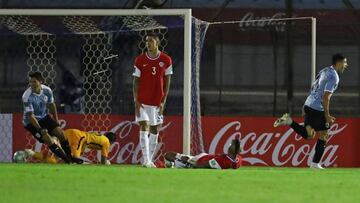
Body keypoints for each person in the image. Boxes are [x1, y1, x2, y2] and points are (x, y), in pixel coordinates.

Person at [273, 53, 348, 169]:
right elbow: (326, 97)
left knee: (309, 135)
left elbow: (314, 87)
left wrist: (305, 105)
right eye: (344, 62)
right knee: (324, 134)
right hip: (318, 107)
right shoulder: (334, 77)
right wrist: (327, 115)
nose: (346, 65)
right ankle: (314, 164)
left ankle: (289, 121)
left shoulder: (324, 71)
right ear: (338, 62)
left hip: (309, 104)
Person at [132, 32, 173, 168]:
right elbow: (135, 82)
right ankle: (147, 160)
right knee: (144, 125)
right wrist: (136, 101)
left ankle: (149, 160)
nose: (148, 43)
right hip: (142, 101)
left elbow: (167, 82)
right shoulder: (140, 60)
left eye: (150, 41)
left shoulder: (166, 60)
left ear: (157, 43)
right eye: (146, 41)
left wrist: (163, 101)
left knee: (155, 129)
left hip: (157, 102)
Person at [22, 71, 72, 163]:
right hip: (30, 122)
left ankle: (70, 157)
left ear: (40, 81)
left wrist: (56, 121)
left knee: (61, 134)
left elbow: (51, 105)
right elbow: (31, 116)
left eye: (34, 81)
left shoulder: (47, 90)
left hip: (44, 117)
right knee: (47, 139)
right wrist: (40, 129)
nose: (32, 84)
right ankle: (67, 160)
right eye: (30, 82)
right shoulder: (26, 96)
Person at [164, 138, 243, 169]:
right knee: (171, 157)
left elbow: (201, 165)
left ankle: (171, 165)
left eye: (231, 144)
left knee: (168, 155)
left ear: (234, 150)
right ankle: (172, 165)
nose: (229, 145)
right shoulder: (238, 159)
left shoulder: (222, 161)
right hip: (203, 157)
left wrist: (188, 161)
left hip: (196, 161)